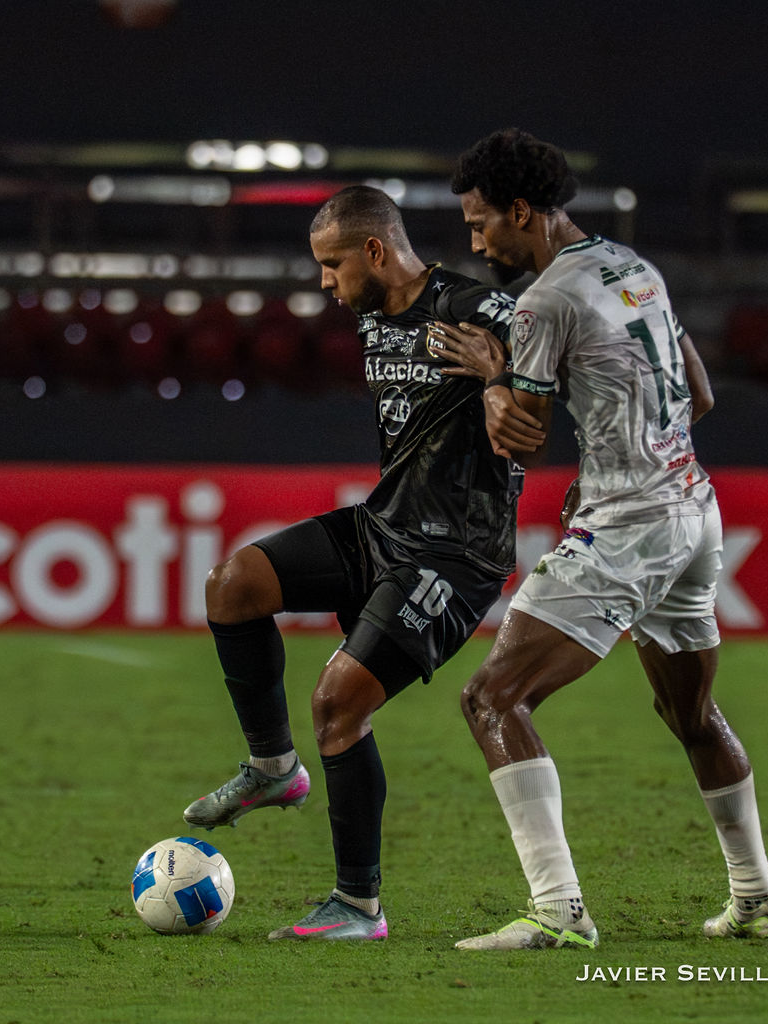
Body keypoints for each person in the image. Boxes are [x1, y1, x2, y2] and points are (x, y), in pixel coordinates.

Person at [429, 129, 768, 950]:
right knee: (691, 714)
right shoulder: (634, 267)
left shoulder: (543, 301)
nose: (477, 239)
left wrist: (495, 375)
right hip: (695, 510)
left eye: (482, 221)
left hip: (628, 524)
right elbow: (699, 396)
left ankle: (558, 911)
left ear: (522, 211)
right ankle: (758, 900)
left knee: (492, 699)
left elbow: (520, 440)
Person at [182, 184, 521, 941]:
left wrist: (502, 378)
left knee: (339, 704)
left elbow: (534, 423)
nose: (324, 283)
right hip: (384, 526)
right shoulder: (373, 313)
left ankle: (358, 907)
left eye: (332, 266)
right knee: (232, 585)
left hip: (456, 553)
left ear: (374, 250)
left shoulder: (479, 312)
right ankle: (272, 769)